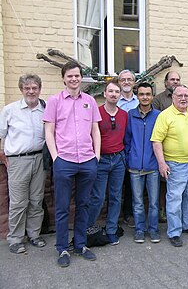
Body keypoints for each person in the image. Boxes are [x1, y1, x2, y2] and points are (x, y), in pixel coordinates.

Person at [43, 61, 101, 267]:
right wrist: (56, 157)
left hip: (87, 160)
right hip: (64, 161)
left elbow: (95, 129)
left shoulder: (90, 101)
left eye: (77, 76)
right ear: (64, 78)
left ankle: (80, 245)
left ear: (81, 77)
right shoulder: (54, 101)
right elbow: (48, 131)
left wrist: (97, 155)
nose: (74, 79)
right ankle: (62, 249)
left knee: (84, 205)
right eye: (70, 76)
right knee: (62, 207)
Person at [0, 74, 47, 254]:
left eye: (34, 88)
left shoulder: (45, 109)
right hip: (18, 160)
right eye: (27, 88)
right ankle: (15, 238)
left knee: (36, 200)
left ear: (39, 89)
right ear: (21, 90)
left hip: (39, 159)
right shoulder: (10, 110)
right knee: (19, 202)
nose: (31, 91)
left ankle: (34, 235)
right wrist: (3, 155)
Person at [151, 85, 188, 247]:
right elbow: (156, 141)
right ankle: (174, 232)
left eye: (186, 95)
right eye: (179, 95)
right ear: (173, 97)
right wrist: (161, 163)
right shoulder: (165, 116)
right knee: (175, 198)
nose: (183, 98)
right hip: (175, 164)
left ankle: (187, 224)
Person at [86, 79, 128, 245]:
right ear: (104, 94)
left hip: (118, 159)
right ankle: (88, 226)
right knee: (97, 196)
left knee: (116, 196)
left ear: (120, 95)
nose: (113, 94)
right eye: (110, 91)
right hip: (101, 159)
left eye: (117, 92)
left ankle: (111, 229)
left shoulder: (124, 115)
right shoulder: (96, 112)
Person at [125, 82, 161, 244]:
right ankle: (140, 230)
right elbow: (127, 140)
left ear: (152, 96)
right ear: (137, 96)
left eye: (148, 94)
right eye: (141, 94)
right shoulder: (130, 115)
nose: (145, 97)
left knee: (153, 202)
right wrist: (129, 157)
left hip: (153, 166)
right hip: (135, 166)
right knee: (138, 201)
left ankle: (153, 230)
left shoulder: (159, 116)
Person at [152, 71, 185, 223]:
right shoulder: (158, 100)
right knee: (164, 184)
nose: (175, 82)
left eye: (177, 80)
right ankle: (162, 210)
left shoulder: (184, 98)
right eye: (172, 79)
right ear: (165, 83)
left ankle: (178, 214)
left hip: (182, 152)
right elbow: (157, 125)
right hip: (164, 150)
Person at [117, 69, 139, 228]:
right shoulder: (114, 101)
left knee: (132, 185)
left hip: (134, 149)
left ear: (134, 82)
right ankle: (114, 217)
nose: (126, 82)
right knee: (116, 185)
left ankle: (129, 214)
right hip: (117, 149)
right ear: (118, 82)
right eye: (123, 79)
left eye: (129, 79)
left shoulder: (139, 102)